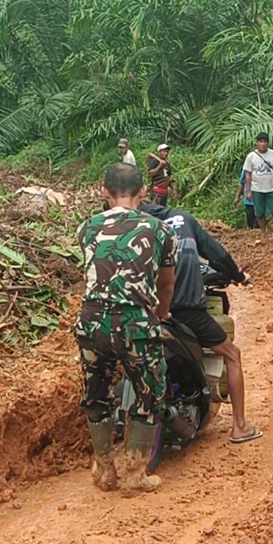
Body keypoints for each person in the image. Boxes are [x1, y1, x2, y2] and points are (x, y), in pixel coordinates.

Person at [75, 163, 177, 494]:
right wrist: (160, 315)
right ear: (143, 192)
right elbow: (165, 283)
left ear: (104, 192)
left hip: (92, 322)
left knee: (96, 395)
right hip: (135, 323)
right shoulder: (160, 230)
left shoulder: (86, 228)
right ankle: (135, 474)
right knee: (149, 396)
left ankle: (105, 470)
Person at [142, 203, 262, 445]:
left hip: (143, 312)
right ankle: (239, 426)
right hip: (187, 312)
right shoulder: (183, 219)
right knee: (232, 355)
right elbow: (216, 254)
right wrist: (239, 276)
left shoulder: (131, 226)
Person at [242, 132, 273, 233]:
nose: (263, 144)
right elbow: (248, 174)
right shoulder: (251, 156)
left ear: (268, 143)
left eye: (265, 142)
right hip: (257, 189)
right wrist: (248, 190)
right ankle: (263, 232)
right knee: (260, 213)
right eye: (260, 142)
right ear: (257, 143)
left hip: (271, 188)